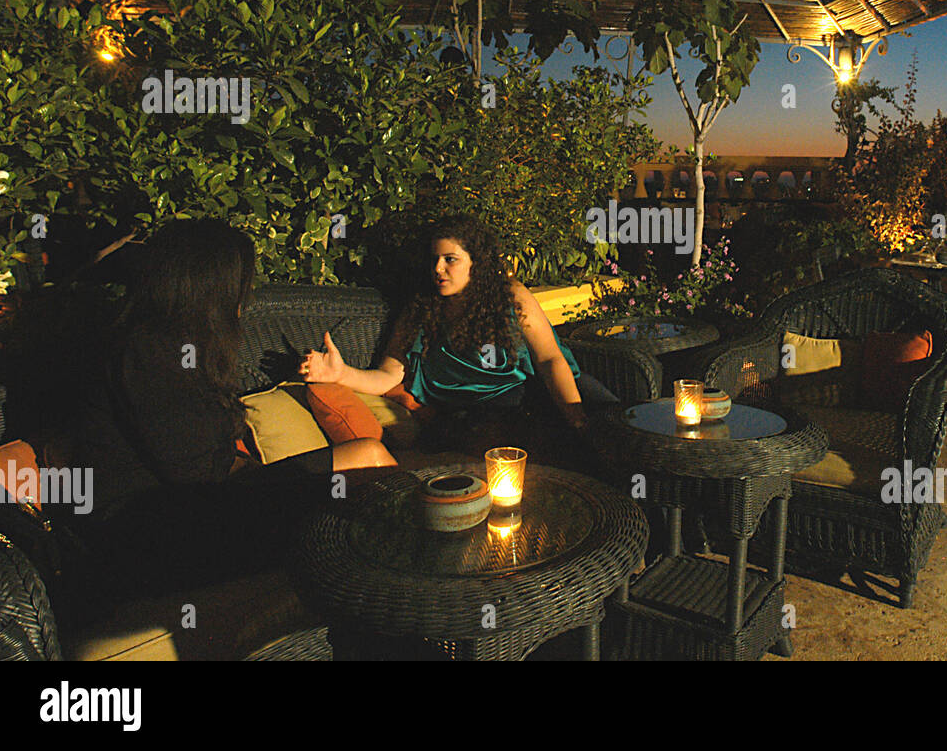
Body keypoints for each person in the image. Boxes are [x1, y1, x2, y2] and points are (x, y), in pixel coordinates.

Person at [48, 218, 394, 613]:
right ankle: (392, 592)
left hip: (199, 504)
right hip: (157, 534)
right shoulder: (148, 351)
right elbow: (201, 471)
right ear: (209, 285)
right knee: (367, 478)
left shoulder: (180, 346)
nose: (245, 297)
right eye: (241, 282)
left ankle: (395, 580)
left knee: (368, 458)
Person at [299, 215, 606, 462]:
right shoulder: (421, 309)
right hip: (471, 418)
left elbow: (549, 359)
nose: (438, 269)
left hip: (529, 394)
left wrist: (576, 418)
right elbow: (388, 375)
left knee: (610, 426)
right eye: (435, 259)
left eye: (451, 259)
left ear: (476, 262)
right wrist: (340, 375)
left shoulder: (510, 296)